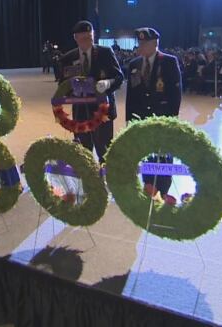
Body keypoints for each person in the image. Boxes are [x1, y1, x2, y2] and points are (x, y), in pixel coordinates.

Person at [125, 28, 182, 204]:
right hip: (142, 119)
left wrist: (170, 120)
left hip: (162, 118)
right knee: (146, 154)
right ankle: (149, 187)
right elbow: (131, 95)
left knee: (163, 157)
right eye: (139, 42)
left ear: (154, 44)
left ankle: (163, 192)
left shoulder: (169, 62)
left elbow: (176, 93)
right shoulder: (134, 65)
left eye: (143, 43)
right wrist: (130, 121)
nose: (140, 46)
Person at [59, 20, 123, 164]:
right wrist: (71, 91)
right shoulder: (68, 58)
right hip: (81, 114)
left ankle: (105, 185)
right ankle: (87, 186)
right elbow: (63, 84)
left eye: (90, 37)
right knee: (83, 156)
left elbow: (119, 77)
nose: (88, 41)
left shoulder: (105, 53)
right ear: (76, 38)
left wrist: (107, 84)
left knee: (105, 155)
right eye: (84, 38)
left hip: (103, 113)